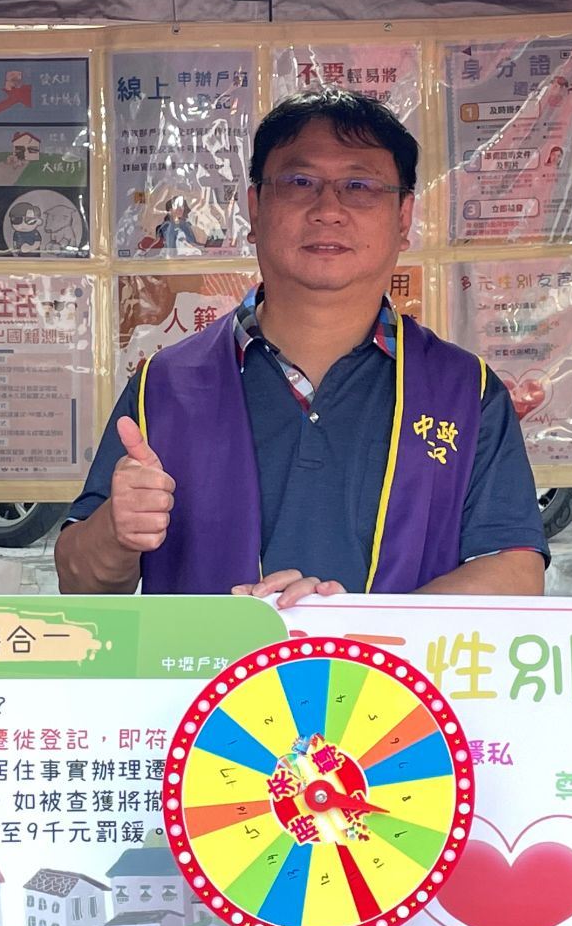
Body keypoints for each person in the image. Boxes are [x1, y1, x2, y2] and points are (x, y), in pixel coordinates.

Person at [57, 88, 547, 606]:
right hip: (210, 663)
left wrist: (340, 630)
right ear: (255, 208)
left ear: (403, 217)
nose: (328, 209)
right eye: (299, 182)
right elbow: (78, 579)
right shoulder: (168, 383)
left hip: (388, 665)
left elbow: (515, 571)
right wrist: (115, 531)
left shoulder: (464, 390)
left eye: (359, 186)